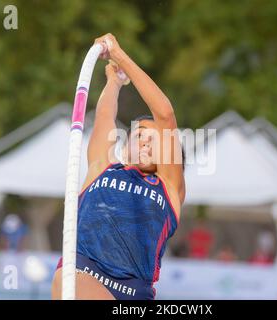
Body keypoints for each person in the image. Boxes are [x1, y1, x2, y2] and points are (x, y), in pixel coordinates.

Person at [52, 33, 185, 300]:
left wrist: (119, 54)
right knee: (68, 281)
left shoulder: (169, 188)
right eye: (139, 136)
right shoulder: (103, 168)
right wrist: (114, 81)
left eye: (154, 139)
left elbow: (166, 115)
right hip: (84, 271)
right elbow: (104, 116)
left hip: (135, 292)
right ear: (125, 147)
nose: (146, 142)